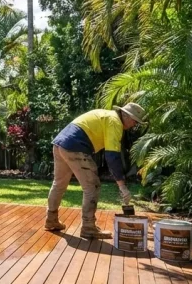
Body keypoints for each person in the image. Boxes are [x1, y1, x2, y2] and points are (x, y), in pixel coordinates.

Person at [44, 102, 146, 238]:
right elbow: (112, 156)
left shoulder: (107, 115)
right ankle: (88, 227)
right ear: (126, 115)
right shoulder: (115, 122)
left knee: (59, 184)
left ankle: (51, 219)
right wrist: (122, 186)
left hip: (59, 144)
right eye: (135, 121)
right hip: (75, 146)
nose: (134, 124)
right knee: (92, 186)